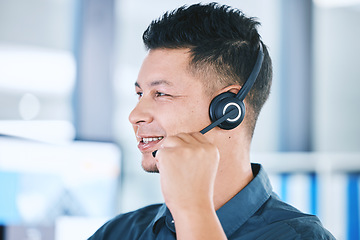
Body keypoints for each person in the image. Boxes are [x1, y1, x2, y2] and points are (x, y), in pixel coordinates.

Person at [89, 2, 335, 239]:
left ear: (228, 110)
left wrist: (192, 208)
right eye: (140, 94)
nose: (135, 116)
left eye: (161, 94)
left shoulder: (299, 237)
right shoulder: (118, 232)